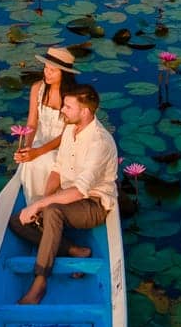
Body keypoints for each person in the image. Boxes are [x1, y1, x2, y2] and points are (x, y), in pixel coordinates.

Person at [8, 83, 118, 305]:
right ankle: (74, 250)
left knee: (53, 211)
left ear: (85, 111)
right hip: (68, 196)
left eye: (68, 107)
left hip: (93, 204)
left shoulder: (100, 142)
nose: (62, 111)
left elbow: (79, 191)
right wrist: (40, 200)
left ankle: (40, 281)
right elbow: (57, 169)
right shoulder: (69, 129)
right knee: (17, 221)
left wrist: (41, 205)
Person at [13, 46, 76, 202]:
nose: (47, 73)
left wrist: (39, 151)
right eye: (46, 68)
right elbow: (32, 122)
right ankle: (33, 203)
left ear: (64, 74)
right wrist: (27, 147)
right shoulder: (37, 89)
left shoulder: (73, 96)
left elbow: (67, 134)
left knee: (48, 161)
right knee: (29, 161)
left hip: (63, 145)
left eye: (52, 70)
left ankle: (49, 203)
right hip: (39, 141)